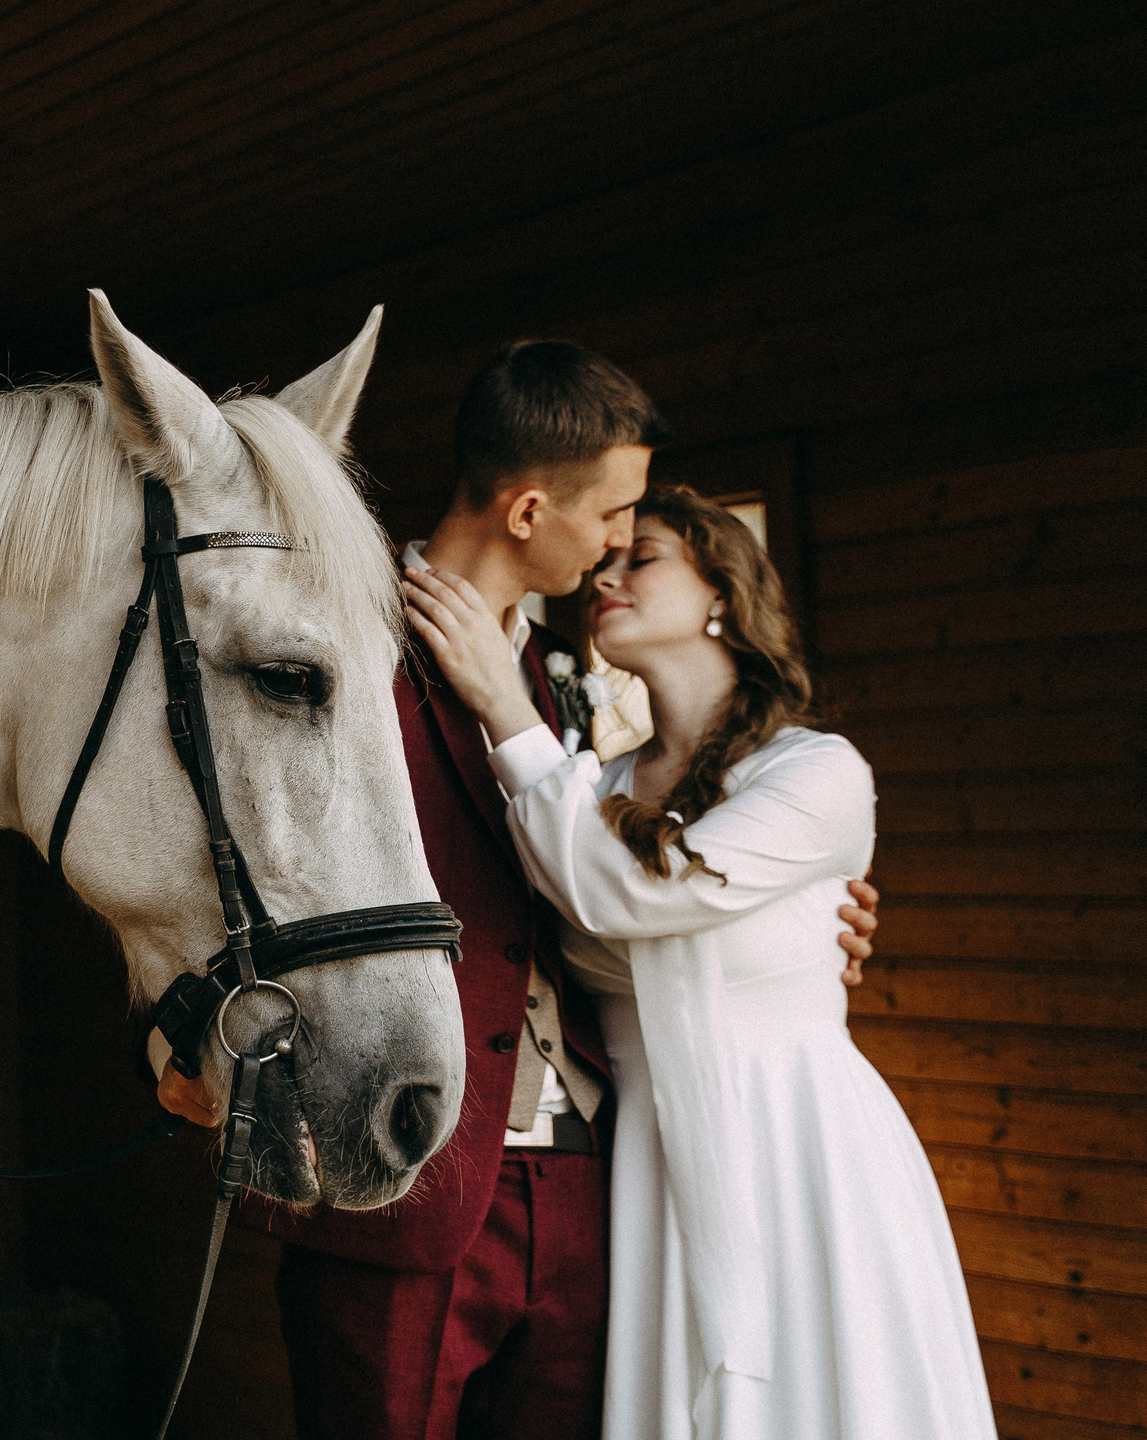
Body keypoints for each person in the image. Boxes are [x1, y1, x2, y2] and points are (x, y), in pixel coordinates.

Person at [157, 341, 879, 1440]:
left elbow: (618, 879)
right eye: (610, 522)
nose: (612, 555)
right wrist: (166, 1031)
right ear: (532, 508)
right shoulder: (329, 648)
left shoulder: (569, 685)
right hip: (402, 1176)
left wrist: (793, 926)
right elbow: (200, 850)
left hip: (589, 1182)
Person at [400, 484, 993, 1439]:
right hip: (644, 1164)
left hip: (798, 1148)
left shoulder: (817, 772)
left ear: (722, 592)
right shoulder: (597, 783)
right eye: (608, 559)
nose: (609, 575)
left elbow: (643, 896)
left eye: (646, 557)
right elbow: (561, 922)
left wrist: (509, 714)